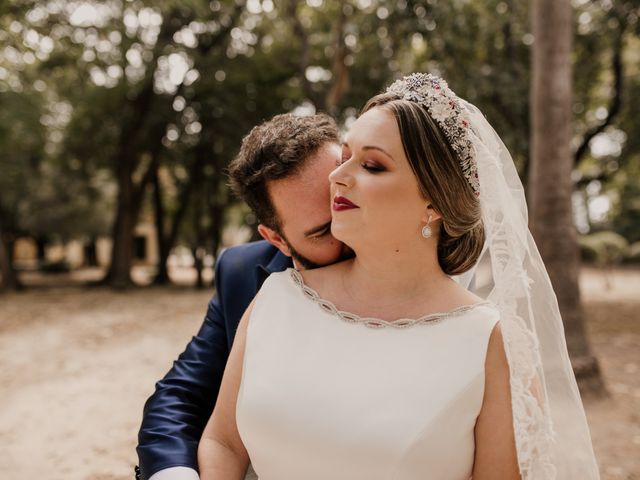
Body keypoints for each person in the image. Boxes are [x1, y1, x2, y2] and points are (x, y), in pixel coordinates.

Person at [197, 74, 600, 479]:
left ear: (434, 201)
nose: (338, 177)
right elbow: (223, 442)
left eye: (372, 165)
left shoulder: (493, 346)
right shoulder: (276, 297)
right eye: (345, 158)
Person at [136, 113, 351, 480]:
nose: (353, 232)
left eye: (348, 206)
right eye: (324, 231)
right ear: (277, 240)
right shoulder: (241, 273)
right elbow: (180, 395)